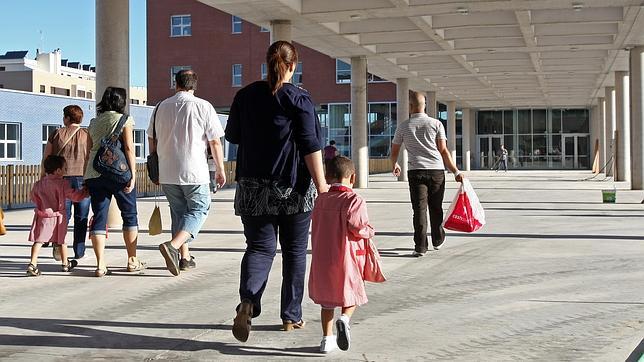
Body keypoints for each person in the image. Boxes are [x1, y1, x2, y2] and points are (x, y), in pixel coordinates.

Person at [225, 40, 327, 343]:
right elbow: (311, 144)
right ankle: (291, 316)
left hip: (253, 187)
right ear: (293, 65)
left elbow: (233, 135)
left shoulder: (245, 95)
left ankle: (248, 302)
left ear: (266, 62)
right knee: (294, 252)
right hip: (294, 188)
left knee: (259, 248)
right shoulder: (299, 98)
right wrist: (322, 185)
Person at [152, 70, 226, 276]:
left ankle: (184, 258)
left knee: (179, 213)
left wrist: (155, 164)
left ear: (175, 84)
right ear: (194, 86)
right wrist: (220, 169)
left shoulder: (160, 107)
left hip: (167, 171)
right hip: (194, 171)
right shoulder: (204, 106)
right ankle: (173, 246)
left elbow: (152, 138)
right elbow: (214, 141)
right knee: (200, 209)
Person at [309, 156, 374, 353]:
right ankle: (344, 319)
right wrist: (370, 231)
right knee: (352, 292)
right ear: (352, 178)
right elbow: (357, 227)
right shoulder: (354, 200)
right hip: (347, 256)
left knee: (326, 301)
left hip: (322, 257)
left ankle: (326, 340)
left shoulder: (320, 200)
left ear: (327, 177)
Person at [390, 91, 464, 257]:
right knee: (436, 207)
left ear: (410, 106)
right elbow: (443, 150)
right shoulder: (436, 124)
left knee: (419, 210)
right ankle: (437, 239)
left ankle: (420, 247)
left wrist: (394, 163)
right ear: (424, 106)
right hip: (437, 171)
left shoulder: (403, 126)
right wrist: (456, 171)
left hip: (415, 172)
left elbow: (394, 150)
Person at [84, 87, 145, 277]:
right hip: (119, 173)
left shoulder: (93, 122)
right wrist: (133, 174)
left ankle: (100, 264)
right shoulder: (124, 119)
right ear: (121, 102)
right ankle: (132, 260)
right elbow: (128, 147)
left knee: (99, 216)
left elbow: (88, 150)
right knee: (129, 214)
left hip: (95, 172)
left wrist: (85, 176)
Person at [41, 105, 91, 261]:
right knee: (81, 217)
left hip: (61, 181)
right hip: (83, 180)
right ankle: (79, 251)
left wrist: (43, 177)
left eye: (64, 116)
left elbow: (46, 158)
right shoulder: (88, 135)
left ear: (67, 118)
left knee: (62, 216)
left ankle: (58, 244)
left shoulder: (56, 134)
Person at [27, 155, 88, 276]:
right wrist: (85, 192)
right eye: (65, 168)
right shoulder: (62, 183)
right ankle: (65, 264)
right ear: (58, 170)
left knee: (38, 241)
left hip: (42, 217)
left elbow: (33, 197)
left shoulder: (38, 184)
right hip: (58, 217)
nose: (66, 170)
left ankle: (32, 263)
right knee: (61, 241)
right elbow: (74, 196)